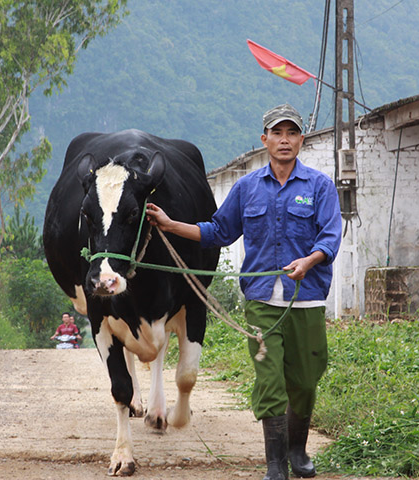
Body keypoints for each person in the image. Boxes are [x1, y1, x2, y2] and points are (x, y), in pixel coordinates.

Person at [146, 103, 342, 479]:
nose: (284, 141)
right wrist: (171, 225)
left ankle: (297, 451)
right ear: (264, 139)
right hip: (262, 301)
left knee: (304, 380)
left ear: (301, 139)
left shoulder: (320, 186)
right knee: (269, 381)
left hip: (307, 297)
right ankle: (275, 466)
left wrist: (309, 261)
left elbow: (331, 237)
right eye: (277, 133)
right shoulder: (247, 188)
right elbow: (218, 231)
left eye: (292, 133)